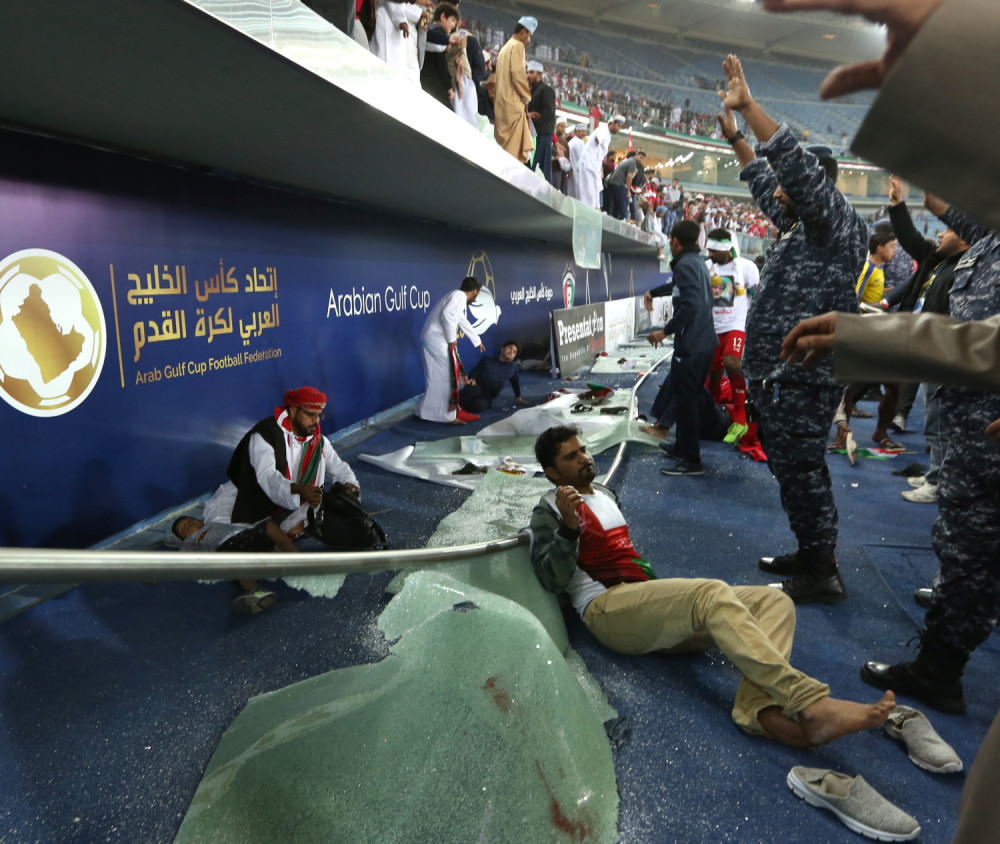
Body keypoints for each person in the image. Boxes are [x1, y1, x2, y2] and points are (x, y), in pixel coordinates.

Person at [526, 425, 896, 747]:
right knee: (710, 593)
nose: (584, 458)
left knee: (773, 600)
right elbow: (550, 578)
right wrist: (568, 530)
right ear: (552, 473)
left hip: (643, 604)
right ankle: (809, 703)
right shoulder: (549, 510)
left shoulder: (604, 495)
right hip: (607, 609)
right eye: (571, 457)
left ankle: (758, 711)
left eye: (584, 450)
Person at [782, 195, 1000, 716]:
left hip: (989, 443)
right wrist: (864, 335)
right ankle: (940, 664)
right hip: (974, 433)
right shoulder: (988, 231)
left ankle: (939, 670)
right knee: (968, 547)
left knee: (975, 552)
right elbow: (980, 343)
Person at [717, 54, 868, 604]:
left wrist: (750, 108)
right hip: (782, 376)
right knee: (792, 470)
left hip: (804, 376)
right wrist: (736, 138)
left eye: (789, 184)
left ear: (810, 188)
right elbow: (765, 181)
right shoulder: (804, 224)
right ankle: (809, 551)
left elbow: (791, 170)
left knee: (804, 472)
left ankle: (823, 570)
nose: (777, 189)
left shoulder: (834, 220)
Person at [201, 386, 359, 611]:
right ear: (293, 411)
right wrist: (298, 489)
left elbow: (340, 468)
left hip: (288, 506)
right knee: (230, 537)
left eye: (319, 415)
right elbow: (268, 479)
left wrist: (351, 486)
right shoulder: (263, 435)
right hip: (243, 498)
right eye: (310, 414)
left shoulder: (318, 441)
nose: (316, 421)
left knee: (316, 519)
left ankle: (298, 565)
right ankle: (253, 590)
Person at [640, 220, 719, 476]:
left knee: (686, 403)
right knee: (688, 399)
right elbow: (680, 289)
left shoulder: (686, 264)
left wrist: (665, 330)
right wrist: (655, 291)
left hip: (693, 345)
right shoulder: (695, 262)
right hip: (704, 342)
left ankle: (692, 461)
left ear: (675, 240)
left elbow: (690, 305)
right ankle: (683, 447)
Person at [171, 515, 300, 615]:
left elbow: (243, 527)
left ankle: (299, 560)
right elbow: (179, 560)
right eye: (183, 530)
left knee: (269, 526)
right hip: (224, 550)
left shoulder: (214, 524)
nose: (187, 526)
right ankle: (256, 593)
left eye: (188, 521)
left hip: (243, 537)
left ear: (201, 521)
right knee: (235, 557)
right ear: (184, 539)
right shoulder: (189, 543)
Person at [704, 227, 760, 443]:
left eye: (713, 251)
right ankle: (713, 417)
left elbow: (756, 298)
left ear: (726, 249)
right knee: (714, 377)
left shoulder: (746, 267)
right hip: (712, 328)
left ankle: (740, 417)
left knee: (733, 364)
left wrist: (754, 328)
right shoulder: (706, 267)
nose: (709, 255)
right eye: (708, 250)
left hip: (736, 325)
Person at [416, 276, 486, 424]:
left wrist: (477, 340)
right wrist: (452, 339)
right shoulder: (459, 296)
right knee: (447, 377)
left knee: (436, 378)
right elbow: (447, 314)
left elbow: (462, 320)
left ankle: (426, 411)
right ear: (474, 292)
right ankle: (447, 416)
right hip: (436, 340)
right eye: (477, 294)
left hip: (431, 339)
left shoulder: (455, 296)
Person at [492, 16, 537, 164]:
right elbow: (518, 74)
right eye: (529, 35)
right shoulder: (518, 46)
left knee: (503, 149)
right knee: (513, 155)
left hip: (501, 103)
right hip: (512, 104)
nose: (529, 40)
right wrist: (526, 97)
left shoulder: (506, 47)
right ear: (523, 31)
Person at [459, 340, 528, 413]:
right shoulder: (487, 360)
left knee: (477, 406)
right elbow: (474, 371)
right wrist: (472, 378)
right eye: (510, 348)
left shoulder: (513, 368)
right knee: (473, 391)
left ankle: (460, 403)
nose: (511, 351)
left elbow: (515, 383)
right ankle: (454, 407)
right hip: (477, 387)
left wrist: (518, 398)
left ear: (514, 357)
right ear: (502, 349)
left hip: (487, 397)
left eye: (514, 352)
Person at [577, 115, 623, 210]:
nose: (619, 129)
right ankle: (586, 212)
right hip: (588, 165)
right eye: (618, 125)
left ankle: (593, 211)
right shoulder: (603, 130)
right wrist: (598, 141)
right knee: (588, 192)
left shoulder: (608, 135)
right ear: (612, 123)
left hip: (594, 167)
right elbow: (598, 139)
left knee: (594, 192)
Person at [419, 3, 460, 108]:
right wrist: (448, 87)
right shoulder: (440, 32)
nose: (453, 25)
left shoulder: (428, 28)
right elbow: (441, 62)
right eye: (452, 20)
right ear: (442, 17)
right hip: (434, 84)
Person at [526, 60, 555, 183]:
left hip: (542, 134)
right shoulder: (530, 90)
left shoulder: (545, 90)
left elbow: (547, 111)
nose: (528, 75)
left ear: (539, 75)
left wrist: (532, 118)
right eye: (528, 72)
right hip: (533, 133)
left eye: (532, 72)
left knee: (540, 167)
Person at [605, 150, 645, 221]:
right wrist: (628, 190)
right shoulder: (633, 163)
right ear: (636, 155)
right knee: (624, 203)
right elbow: (629, 177)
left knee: (617, 205)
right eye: (640, 157)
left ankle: (616, 221)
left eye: (642, 159)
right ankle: (624, 221)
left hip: (614, 183)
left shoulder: (630, 161)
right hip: (618, 184)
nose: (641, 159)